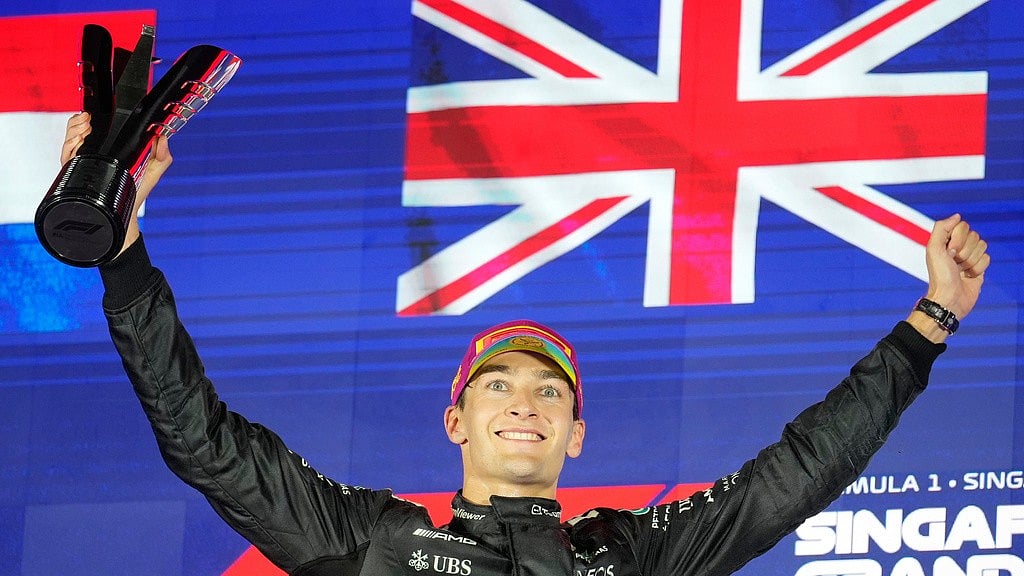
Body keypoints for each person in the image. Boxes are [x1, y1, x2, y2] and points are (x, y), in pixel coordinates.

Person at [61, 112, 990, 576]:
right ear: (455, 419)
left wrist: (931, 321)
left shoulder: (629, 554)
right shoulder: (378, 540)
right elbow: (205, 444)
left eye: (550, 393)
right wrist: (125, 254)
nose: (525, 402)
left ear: (577, 435)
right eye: (499, 385)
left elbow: (801, 471)